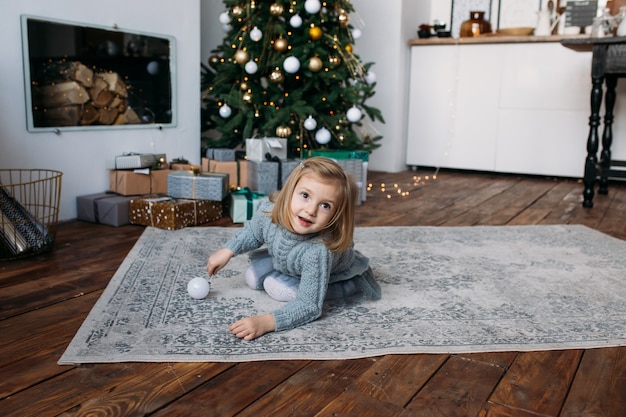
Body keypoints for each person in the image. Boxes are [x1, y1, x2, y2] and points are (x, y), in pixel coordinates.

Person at [207, 157, 381, 341]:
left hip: (331, 272)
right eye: (305, 195)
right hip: (289, 259)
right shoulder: (269, 212)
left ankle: (347, 285)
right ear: (290, 191)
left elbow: (309, 305)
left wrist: (266, 322)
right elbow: (252, 232)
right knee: (253, 276)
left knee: (291, 290)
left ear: (334, 216)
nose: (310, 210)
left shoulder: (317, 252)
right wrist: (227, 251)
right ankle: (285, 276)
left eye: (325, 206)